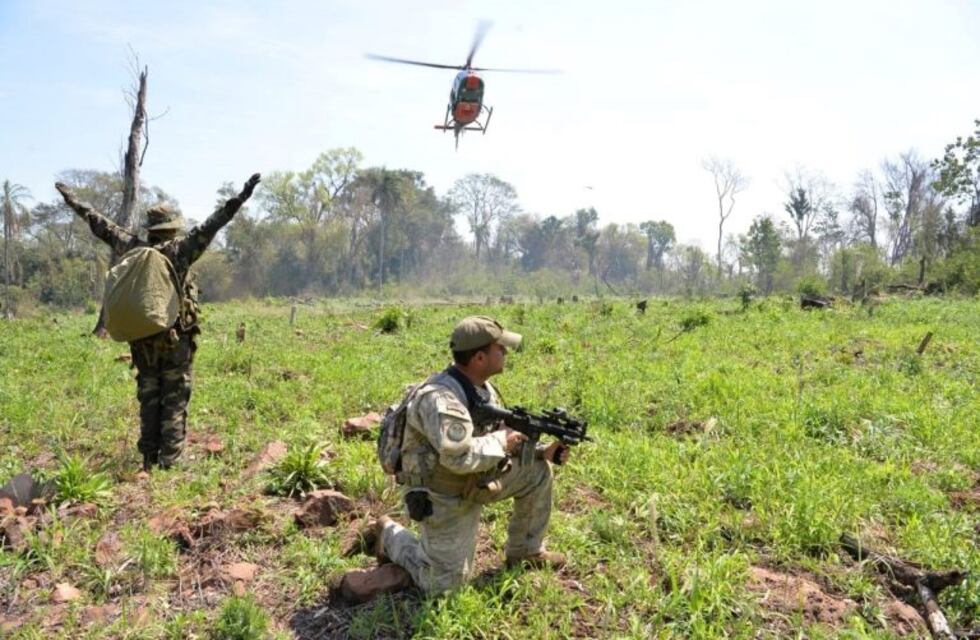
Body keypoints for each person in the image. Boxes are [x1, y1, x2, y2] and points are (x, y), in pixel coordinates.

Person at [341, 315, 570, 602]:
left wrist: (540, 451)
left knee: (536, 471)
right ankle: (389, 535)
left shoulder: (482, 388)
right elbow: (458, 457)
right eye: (500, 348)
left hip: (478, 477)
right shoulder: (440, 400)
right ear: (478, 357)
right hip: (442, 492)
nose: (506, 353)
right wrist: (502, 441)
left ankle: (525, 552)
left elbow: (494, 435)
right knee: (444, 588)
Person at [54, 173, 261, 471]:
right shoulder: (182, 250)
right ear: (172, 229)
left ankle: (149, 460)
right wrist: (241, 197)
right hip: (177, 342)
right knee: (174, 401)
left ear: (151, 230)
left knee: (149, 397)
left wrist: (71, 199)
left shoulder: (131, 247)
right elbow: (215, 223)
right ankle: (170, 463)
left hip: (142, 341)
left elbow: (98, 222)